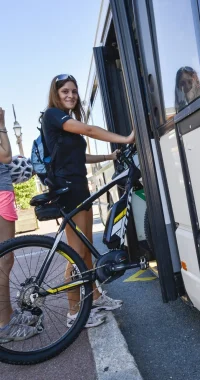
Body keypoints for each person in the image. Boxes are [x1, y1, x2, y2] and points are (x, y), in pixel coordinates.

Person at [42, 74, 135, 328]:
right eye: (65, 92)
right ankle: (74, 313)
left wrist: (110, 154)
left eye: (74, 91)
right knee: (75, 253)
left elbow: (81, 157)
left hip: (79, 186)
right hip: (68, 189)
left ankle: (94, 297)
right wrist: (125, 138)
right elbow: (90, 130)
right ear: (56, 94)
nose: (71, 95)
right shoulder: (52, 115)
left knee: (86, 249)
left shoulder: (67, 121)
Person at [0, 107, 40, 342]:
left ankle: (8, 315)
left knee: (6, 259)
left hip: (4, 191)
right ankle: (4, 326)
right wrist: (2, 123)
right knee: (3, 260)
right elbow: (5, 155)